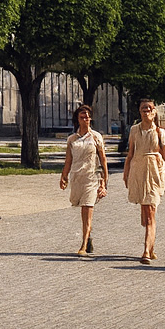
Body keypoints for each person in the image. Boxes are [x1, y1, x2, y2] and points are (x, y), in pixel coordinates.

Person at [124, 97, 165, 264]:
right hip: (138, 170)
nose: (146, 111)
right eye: (143, 109)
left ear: (154, 112)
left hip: (155, 171)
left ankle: (146, 251)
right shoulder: (134, 130)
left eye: (149, 108)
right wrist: (126, 173)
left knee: (151, 210)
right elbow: (130, 153)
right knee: (145, 212)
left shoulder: (160, 132)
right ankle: (151, 247)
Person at [58, 105, 108, 255]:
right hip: (77, 177)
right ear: (78, 120)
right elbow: (68, 160)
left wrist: (104, 180)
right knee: (83, 209)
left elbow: (103, 159)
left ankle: (84, 244)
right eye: (82, 117)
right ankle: (89, 236)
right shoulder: (72, 139)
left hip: (92, 177)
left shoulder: (96, 137)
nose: (85, 119)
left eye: (87, 116)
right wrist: (64, 176)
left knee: (88, 207)